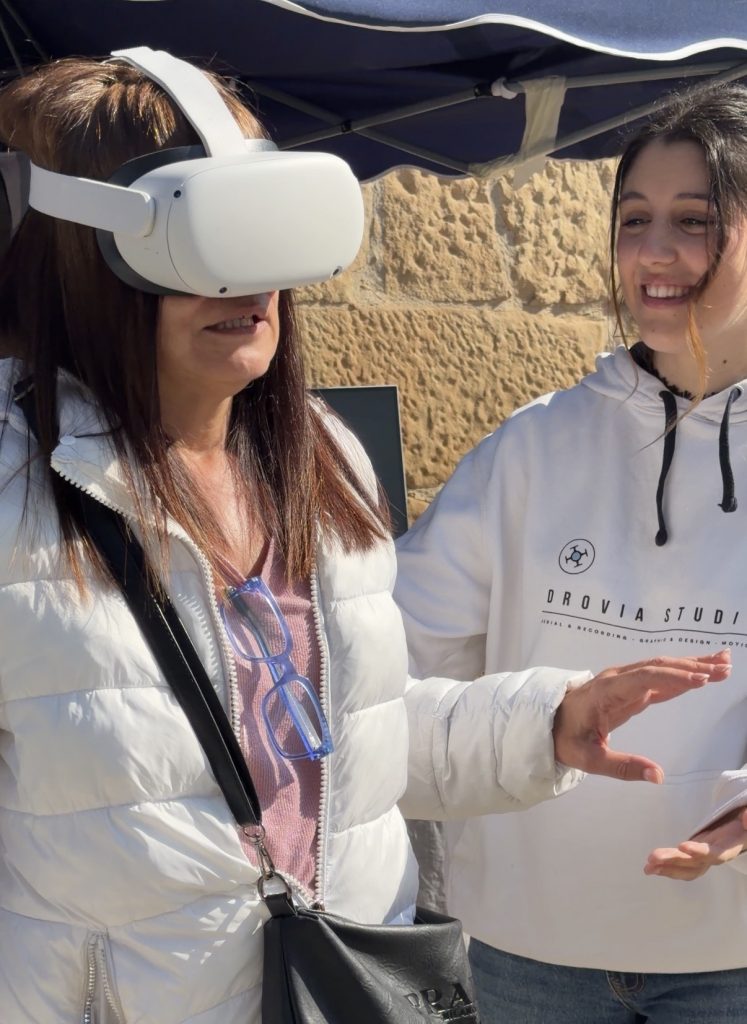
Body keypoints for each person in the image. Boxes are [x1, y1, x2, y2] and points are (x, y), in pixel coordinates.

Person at [0, 54, 731, 1024]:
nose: (249, 275)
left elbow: (356, 738)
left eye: (268, 224)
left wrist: (544, 723)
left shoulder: (320, 463)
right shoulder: (17, 499)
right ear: (73, 248)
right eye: (200, 231)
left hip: (339, 992)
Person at [395, 80, 747, 1024]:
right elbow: (388, 671)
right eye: (633, 220)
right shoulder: (529, 447)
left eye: (693, 220)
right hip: (527, 952)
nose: (654, 252)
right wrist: (548, 716)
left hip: (733, 958)